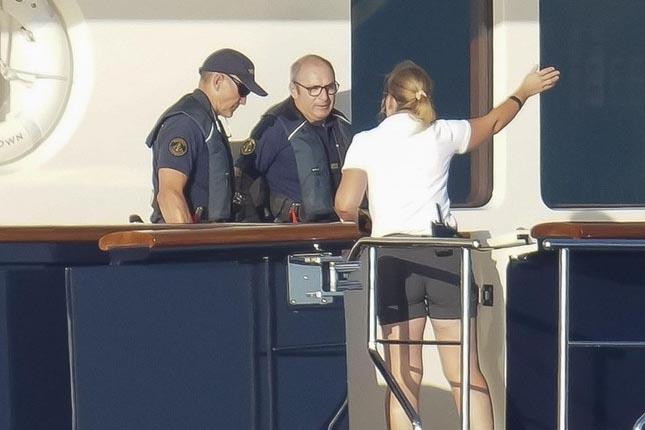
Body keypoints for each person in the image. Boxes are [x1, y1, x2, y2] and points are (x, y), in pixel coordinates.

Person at [335, 61, 559, 430]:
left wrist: (369, 221)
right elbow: (493, 123)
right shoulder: (442, 133)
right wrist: (524, 90)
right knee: (464, 370)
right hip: (445, 256)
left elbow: (345, 205)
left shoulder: (366, 141)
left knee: (403, 375)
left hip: (394, 260)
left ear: (388, 100)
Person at [145, 48, 267, 223]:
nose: (243, 101)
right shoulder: (184, 124)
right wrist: (189, 239)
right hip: (191, 236)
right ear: (218, 81)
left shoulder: (207, 121)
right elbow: (169, 195)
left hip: (211, 234)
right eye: (243, 90)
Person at [235, 54, 352, 223]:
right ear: (294, 90)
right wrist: (253, 225)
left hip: (341, 231)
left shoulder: (342, 125)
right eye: (314, 89)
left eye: (330, 87)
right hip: (293, 232)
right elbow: (242, 179)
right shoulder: (274, 127)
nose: (324, 97)